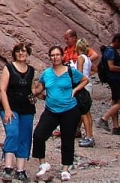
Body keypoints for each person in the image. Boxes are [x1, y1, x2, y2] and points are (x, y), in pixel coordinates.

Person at [31, 45, 88, 182]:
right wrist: (29, 80)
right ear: (50, 57)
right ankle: (43, 164)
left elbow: (85, 79)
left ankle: (65, 169)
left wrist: (75, 90)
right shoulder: (47, 73)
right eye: (52, 55)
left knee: (67, 139)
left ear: (62, 56)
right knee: (38, 135)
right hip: (51, 110)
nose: (55, 57)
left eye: (57, 55)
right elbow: (37, 90)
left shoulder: (70, 71)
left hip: (69, 110)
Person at [0, 42, 37, 182]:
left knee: (25, 137)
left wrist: (35, 97)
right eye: (19, 51)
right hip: (10, 107)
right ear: (14, 53)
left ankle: (21, 170)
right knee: (13, 133)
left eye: (24, 51)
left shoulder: (31, 70)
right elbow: (2, 89)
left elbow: (32, 88)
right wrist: (7, 110)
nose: (21, 53)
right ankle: (8, 168)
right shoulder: (8, 68)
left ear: (28, 54)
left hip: (27, 109)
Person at [97, 33, 120, 136]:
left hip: (112, 80)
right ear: (116, 41)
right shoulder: (111, 52)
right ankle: (104, 119)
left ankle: (116, 127)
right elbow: (111, 67)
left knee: (115, 102)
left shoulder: (107, 51)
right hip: (116, 80)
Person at [75, 39, 95, 148]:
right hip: (89, 85)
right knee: (87, 112)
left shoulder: (80, 58)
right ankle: (90, 135)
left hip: (83, 85)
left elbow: (79, 73)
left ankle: (88, 137)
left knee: (83, 112)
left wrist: (76, 87)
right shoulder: (88, 59)